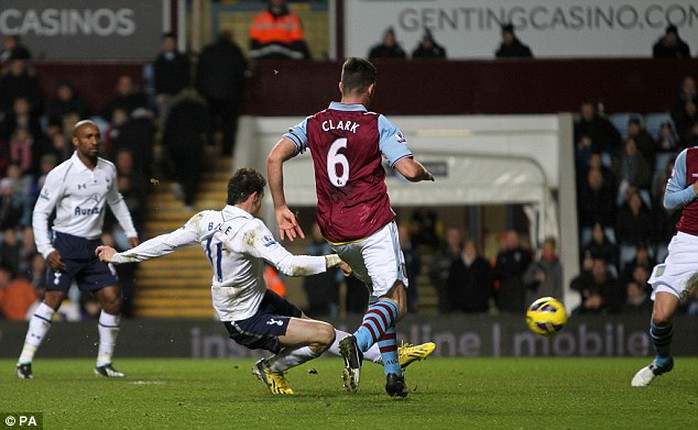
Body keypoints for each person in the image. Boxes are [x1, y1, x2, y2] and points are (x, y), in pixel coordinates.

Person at [96, 168, 433, 394]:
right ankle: (271, 368)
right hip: (244, 317)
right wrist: (334, 259)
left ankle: (385, 356)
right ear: (254, 197)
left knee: (317, 329)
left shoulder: (205, 219)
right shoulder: (251, 229)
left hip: (257, 299)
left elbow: (165, 241)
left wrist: (120, 256)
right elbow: (290, 266)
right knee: (323, 335)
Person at [267, 57, 435, 397]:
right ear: (371, 89)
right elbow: (408, 170)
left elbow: (274, 157)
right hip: (372, 225)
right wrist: (424, 172)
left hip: (336, 234)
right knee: (397, 302)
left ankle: (392, 375)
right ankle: (357, 344)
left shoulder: (315, 122)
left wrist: (281, 206)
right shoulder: (376, 124)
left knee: (378, 296)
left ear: (341, 86)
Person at [15, 120, 140, 380]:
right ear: (75, 141)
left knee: (112, 297)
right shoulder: (61, 174)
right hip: (65, 243)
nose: (95, 141)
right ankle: (24, 360)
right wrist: (47, 249)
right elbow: (40, 213)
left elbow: (115, 200)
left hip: (94, 245)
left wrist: (131, 232)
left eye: (96, 136)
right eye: (88, 136)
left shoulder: (108, 169)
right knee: (54, 300)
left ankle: (104, 363)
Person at [631, 144, 698, 386]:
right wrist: (694, 189)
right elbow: (669, 201)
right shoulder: (688, 157)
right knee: (660, 316)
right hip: (689, 242)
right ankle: (662, 358)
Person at [196, 30, 247, 156]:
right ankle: (227, 151)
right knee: (228, 126)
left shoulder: (208, 50)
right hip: (230, 95)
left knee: (210, 122)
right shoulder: (235, 51)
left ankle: (210, 144)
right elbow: (242, 72)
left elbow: (200, 72)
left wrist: (202, 90)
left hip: (210, 95)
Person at [152, 32, 191, 120]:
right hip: (164, 96)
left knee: (181, 119)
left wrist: (185, 92)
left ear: (175, 43)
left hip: (180, 95)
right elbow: (157, 79)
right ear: (163, 44)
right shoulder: (159, 60)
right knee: (165, 120)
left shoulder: (183, 59)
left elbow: (186, 77)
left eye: (171, 42)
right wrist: (158, 94)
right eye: (167, 42)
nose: (169, 44)